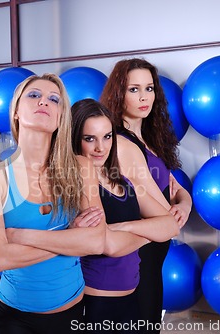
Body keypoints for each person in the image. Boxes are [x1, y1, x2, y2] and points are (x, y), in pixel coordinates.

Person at [0, 73, 106, 334]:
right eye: (34, 95)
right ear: (16, 112)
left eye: (54, 99)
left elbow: (96, 242)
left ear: (60, 118)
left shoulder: (81, 167)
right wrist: (70, 238)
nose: (44, 101)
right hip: (13, 318)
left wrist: (20, 236)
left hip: (73, 313)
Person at [71, 98, 179, 333]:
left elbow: (171, 226)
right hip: (95, 301)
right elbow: (107, 245)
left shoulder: (123, 180)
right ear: (75, 138)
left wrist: (123, 228)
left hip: (131, 296)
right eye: (90, 139)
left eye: (107, 137)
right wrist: (149, 230)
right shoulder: (78, 180)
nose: (101, 147)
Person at [100, 58, 192, 333]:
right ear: (118, 93)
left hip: (153, 257)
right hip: (137, 259)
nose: (144, 97)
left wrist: (184, 206)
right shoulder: (121, 143)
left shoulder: (148, 139)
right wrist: (176, 212)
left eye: (149, 88)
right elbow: (166, 215)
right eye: (134, 89)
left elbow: (177, 190)